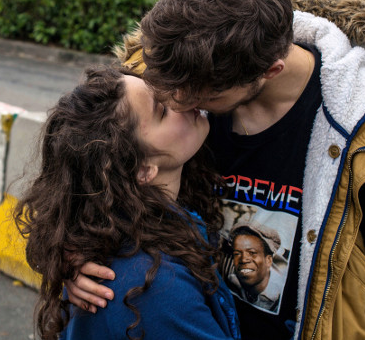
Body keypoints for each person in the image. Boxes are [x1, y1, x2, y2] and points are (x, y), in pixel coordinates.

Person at [67, 0, 365, 339]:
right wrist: (71, 256)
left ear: (271, 70)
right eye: (164, 90)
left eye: (200, 95)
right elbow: (76, 173)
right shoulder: (170, 67)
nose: (175, 100)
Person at [14, 66, 240, 340]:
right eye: (163, 110)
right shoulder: (155, 289)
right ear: (143, 170)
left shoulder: (108, 236)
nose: (181, 98)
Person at [224, 222, 285, 314]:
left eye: (252, 253)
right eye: (237, 253)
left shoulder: (279, 297)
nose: (243, 259)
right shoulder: (233, 281)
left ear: (268, 260)